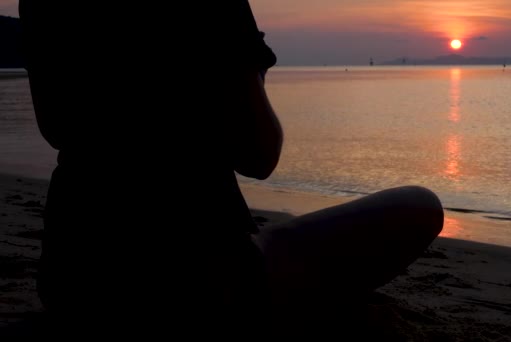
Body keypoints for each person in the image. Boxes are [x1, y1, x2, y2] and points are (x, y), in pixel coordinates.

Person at [19, 0, 443, 338]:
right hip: (200, 285)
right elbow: (259, 155)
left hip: (72, 278)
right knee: (420, 206)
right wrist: (250, 64)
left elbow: (55, 129)